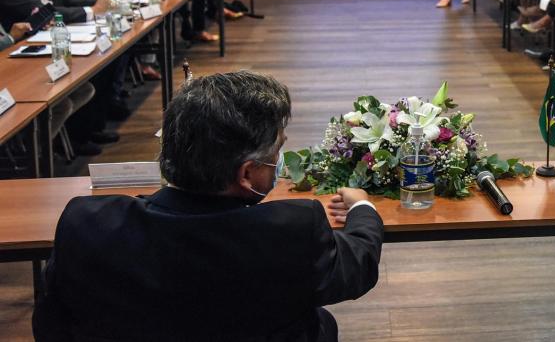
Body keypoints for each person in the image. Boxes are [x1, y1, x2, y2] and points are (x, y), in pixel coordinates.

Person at [34, 71, 384, 341]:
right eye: (276, 152)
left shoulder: (85, 223)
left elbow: (50, 323)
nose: (278, 160)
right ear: (247, 174)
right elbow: (357, 267)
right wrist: (362, 209)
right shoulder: (290, 231)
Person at [0, 0, 103, 155]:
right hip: (16, 62)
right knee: (64, 101)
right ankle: (30, 159)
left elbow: (62, 0)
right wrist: (92, 10)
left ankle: (47, 149)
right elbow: (40, 13)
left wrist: (96, 6)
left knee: (83, 88)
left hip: (36, 53)